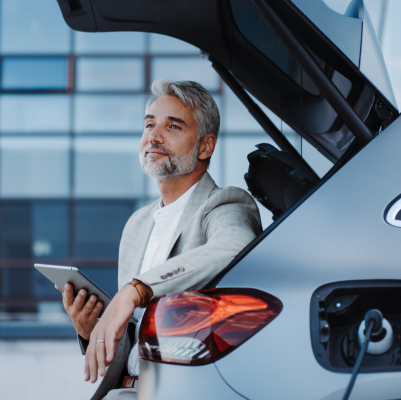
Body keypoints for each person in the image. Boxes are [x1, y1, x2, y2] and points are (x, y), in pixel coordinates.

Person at [58, 79, 262, 400]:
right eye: (149, 124)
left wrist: (135, 290)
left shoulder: (224, 204)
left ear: (205, 146)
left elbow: (234, 246)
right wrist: (89, 329)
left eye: (173, 127)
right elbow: (135, 339)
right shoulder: (137, 224)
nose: (153, 136)